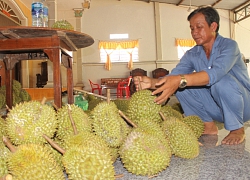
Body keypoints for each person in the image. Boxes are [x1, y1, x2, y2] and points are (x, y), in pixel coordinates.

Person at [133, 6, 250, 145]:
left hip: (243, 106)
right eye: (192, 28)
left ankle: (237, 128)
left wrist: (180, 79)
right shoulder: (192, 53)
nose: (194, 32)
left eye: (199, 27)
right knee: (181, 86)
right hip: (217, 108)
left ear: (213, 26)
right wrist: (151, 83)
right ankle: (208, 126)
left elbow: (215, 73)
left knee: (220, 81)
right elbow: (174, 76)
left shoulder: (229, 46)